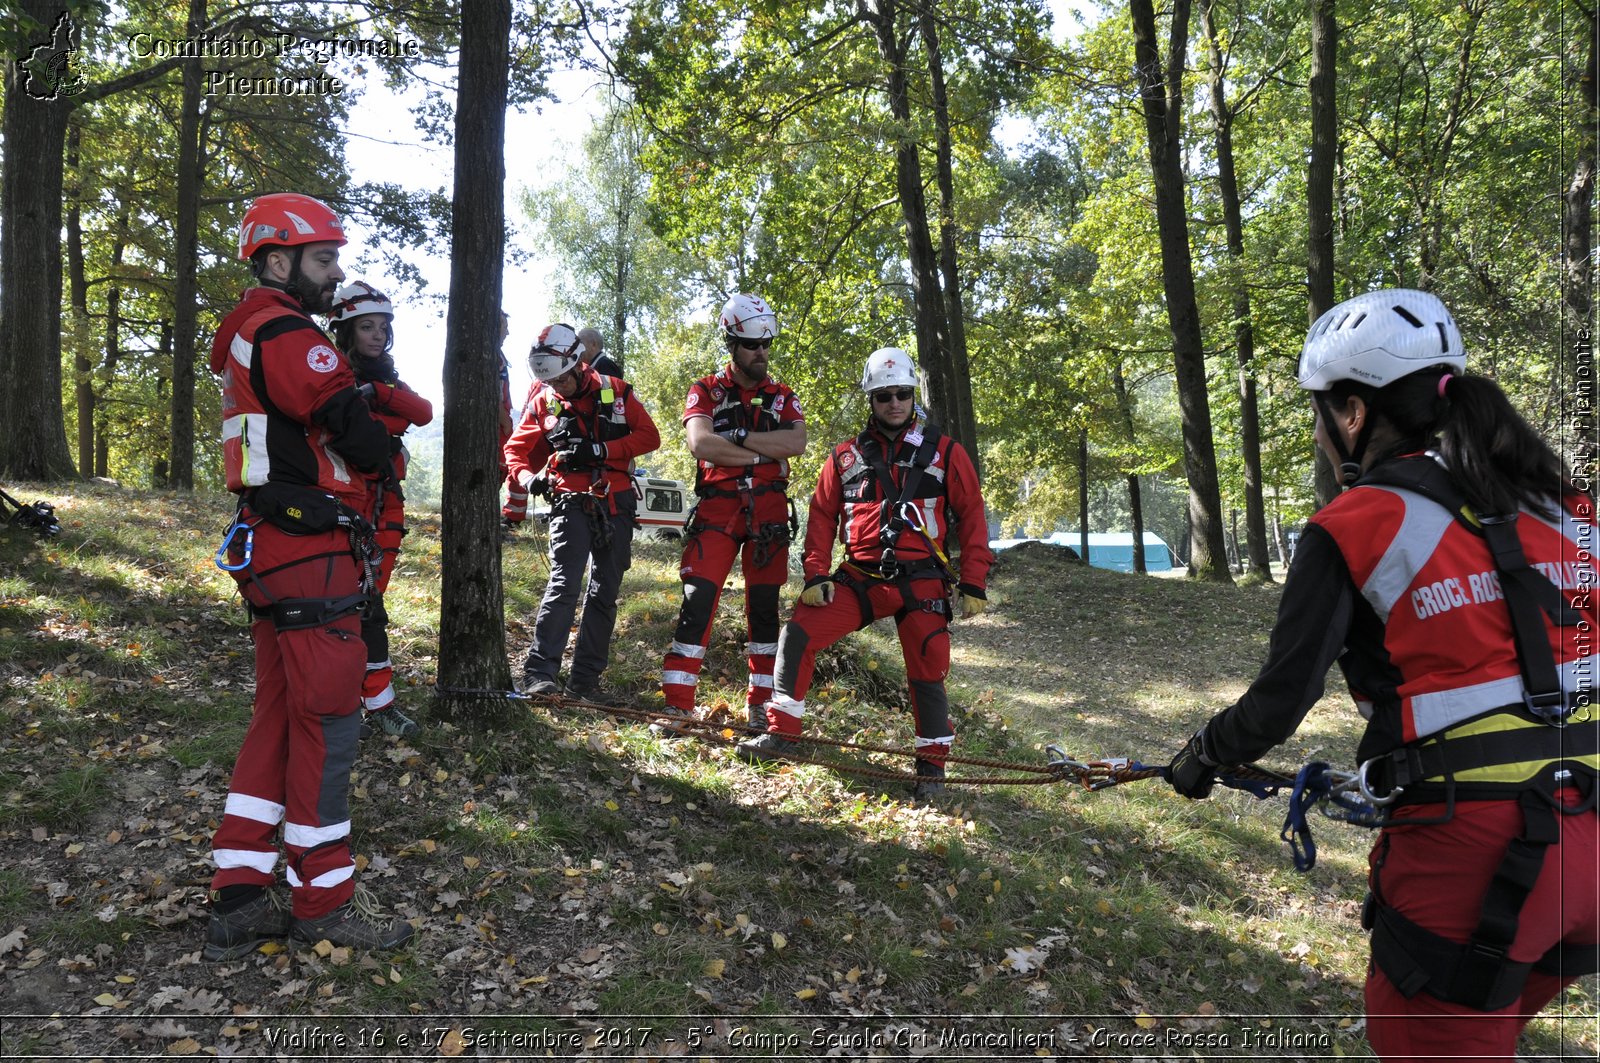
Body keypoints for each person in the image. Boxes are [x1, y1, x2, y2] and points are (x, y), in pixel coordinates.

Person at [1166, 289, 1598, 1062]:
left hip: (1481, 855)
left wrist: (1203, 755)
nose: (1321, 439)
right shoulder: (1562, 505)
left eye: (1319, 416)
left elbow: (1279, 701)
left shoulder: (1354, 523)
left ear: (1353, 412)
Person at [204, 193, 413, 958]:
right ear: (281, 260)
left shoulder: (242, 333)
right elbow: (356, 433)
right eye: (325, 259)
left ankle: (238, 894)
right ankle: (323, 902)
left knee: (279, 716)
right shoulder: (286, 328)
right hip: (309, 548)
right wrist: (380, 446)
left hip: (271, 541)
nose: (337, 274)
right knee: (329, 724)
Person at [737, 348, 993, 800]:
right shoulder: (844, 457)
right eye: (882, 396)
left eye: (901, 394)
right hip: (861, 578)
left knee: (928, 665)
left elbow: (972, 517)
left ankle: (931, 767)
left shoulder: (946, 452)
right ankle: (782, 735)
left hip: (921, 582)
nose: (893, 403)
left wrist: (974, 582)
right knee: (797, 633)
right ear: (870, 400)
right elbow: (820, 518)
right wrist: (816, 576)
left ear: (913, 394)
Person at [660, 294, 807, 730]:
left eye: (766, 345)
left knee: (764, 609)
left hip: (769, 514)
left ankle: (760, 705)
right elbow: (701, 444)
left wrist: (737, 439)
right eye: (750, 345)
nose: (761, 352)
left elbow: (795, 445)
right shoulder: (704, 389)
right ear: (731, 343)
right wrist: (765, 458)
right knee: (697, 599)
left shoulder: (782, 396)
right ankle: (677, 703)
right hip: (718, 509)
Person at [504, 323, 660, 698]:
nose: (557, 388)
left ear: (577, 364)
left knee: (605, 590)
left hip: (616, 501)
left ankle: (586, 680)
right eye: (551, 382)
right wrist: (528, 479)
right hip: (568, 500)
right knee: (564, 584)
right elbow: (515, 450)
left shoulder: (617, 392)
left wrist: (603, 451)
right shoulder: (544, 401)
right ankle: (540, 674)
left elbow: (649, 436)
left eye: (562, 380)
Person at [329, 280, 433, 738]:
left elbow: (423, 411)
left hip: (385, 505)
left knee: (371, 603)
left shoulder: (388, 377)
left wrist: (380, 395)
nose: (376, 335)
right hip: (343, 502)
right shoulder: (331, 373)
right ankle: (347, 700)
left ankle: (377, 703)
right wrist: (379, 407)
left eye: (381, 327)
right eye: (366, 327)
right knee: (344, 604)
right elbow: (348, 427)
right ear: (347, 331)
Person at [497, 311, 529, 531]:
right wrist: (505, 422)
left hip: (501, 423)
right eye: (503, 326)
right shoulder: (492, 356)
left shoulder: (496, 354)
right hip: (497, 427)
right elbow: (493, 393)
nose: (507, 331)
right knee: (497, 471)